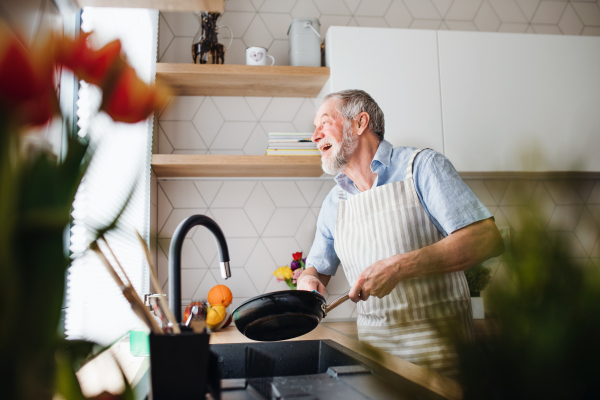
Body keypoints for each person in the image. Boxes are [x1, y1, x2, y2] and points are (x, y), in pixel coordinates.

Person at [297, 89, 504, 377]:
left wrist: (399, 267)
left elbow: (485, 239)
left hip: (444, 357)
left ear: (360, 123)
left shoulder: (421, 167)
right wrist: (308, 282)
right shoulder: (334, 202)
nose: (315, 136)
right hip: (378, 364)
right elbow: (317, 270)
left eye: (324, 123)